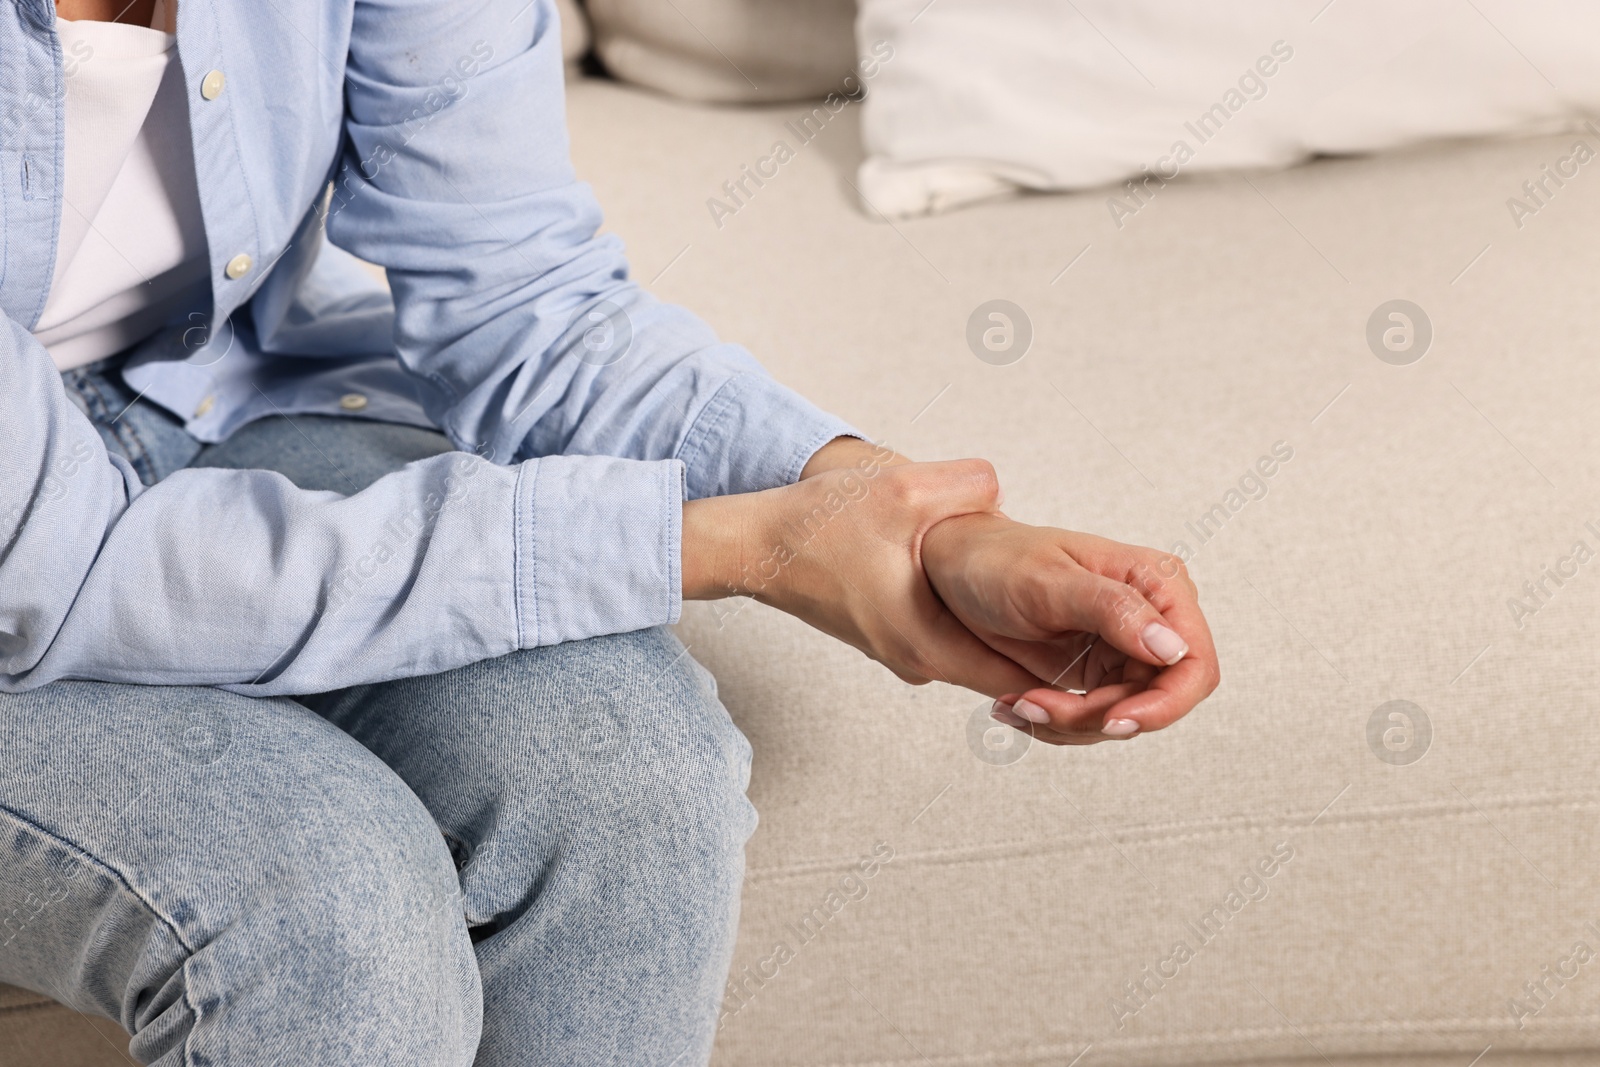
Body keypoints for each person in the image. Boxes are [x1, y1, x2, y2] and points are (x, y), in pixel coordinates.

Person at [0, 0, 1220, 1063]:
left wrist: (893, 517)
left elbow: (526, 304)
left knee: (634, 781)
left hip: (202, 397)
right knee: (321, 901)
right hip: (38, 545)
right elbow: (80, 563)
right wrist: (729, 544)